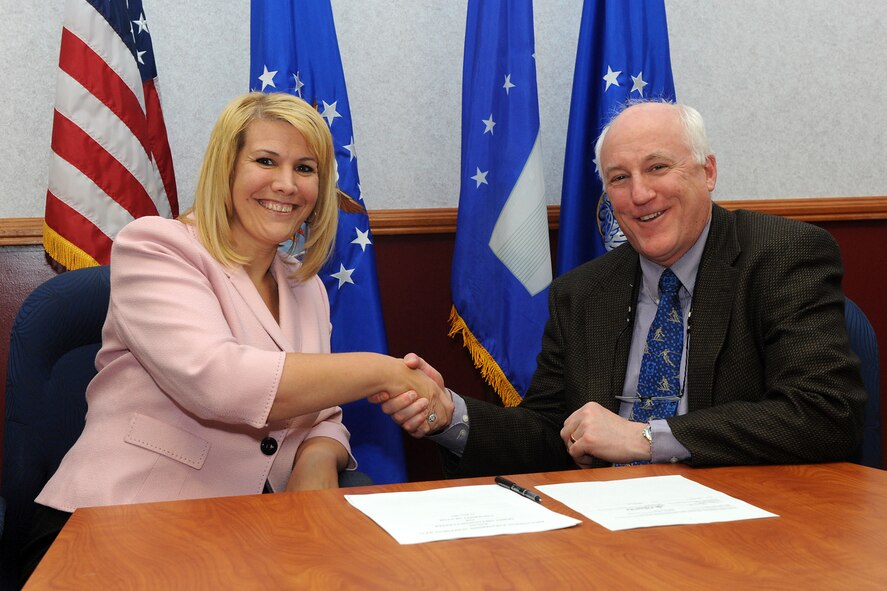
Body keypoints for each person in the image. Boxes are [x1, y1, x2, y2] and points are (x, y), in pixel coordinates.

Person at [20, 92, 442, 582]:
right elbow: (220, 382)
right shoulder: (156, 247)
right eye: (266, 161)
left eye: (305, 169)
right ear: (227, 169)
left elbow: (322, 413)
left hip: (249, 530)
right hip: (115, 524)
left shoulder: (306, 289)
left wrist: (317, 456)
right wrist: (384, 370)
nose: (286, 184)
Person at [376, 100, 866, 478]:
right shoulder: (583, 293)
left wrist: (648, 439)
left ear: (708, 171)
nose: (640, 195)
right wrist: (451, 416)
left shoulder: (782, 254)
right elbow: (550, 433)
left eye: (657, 168)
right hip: (608, 529)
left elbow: (822, 412)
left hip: (746, 526)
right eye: (619, 178)